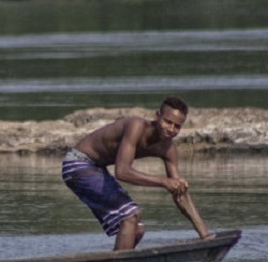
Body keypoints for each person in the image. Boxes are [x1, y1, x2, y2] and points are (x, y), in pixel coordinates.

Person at [62, 96, 190, 251]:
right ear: (157, 116)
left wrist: (205, 235)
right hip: (78, 163)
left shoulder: (169, 149)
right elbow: (122, 172)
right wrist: (163, 182)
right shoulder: (136, 126)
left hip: (97, 168)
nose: (171, 129)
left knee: (137, 229)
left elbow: (181, 196)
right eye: (168, 122)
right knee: (130, 216)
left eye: (177, 126)